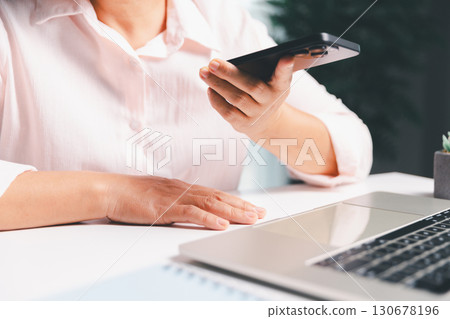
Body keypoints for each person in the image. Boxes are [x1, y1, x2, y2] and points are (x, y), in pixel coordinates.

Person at [0, 0, 372, 231]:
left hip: (202, 271)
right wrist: (115, 194)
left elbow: (353, 150)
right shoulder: (9, 24)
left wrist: (269, 123)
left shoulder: (220, 17)